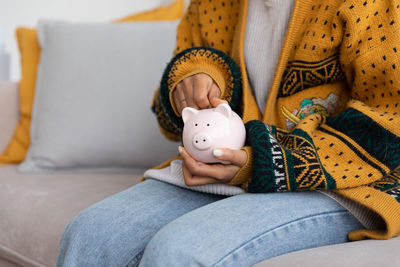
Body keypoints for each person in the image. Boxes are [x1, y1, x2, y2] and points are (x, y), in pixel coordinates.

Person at [56, 0, 400, 266]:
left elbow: (390, 117)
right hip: (232, 172)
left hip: (355, 182)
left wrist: (262, 162)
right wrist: (191, 81)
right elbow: (168, 115)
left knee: (178, 252)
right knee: (89, 234)